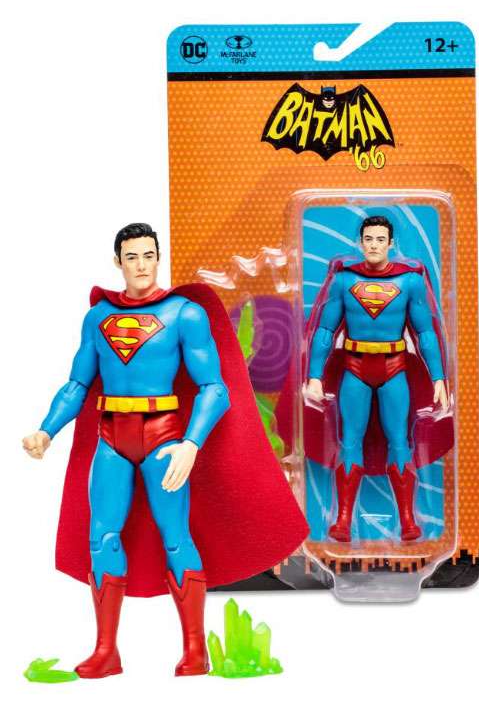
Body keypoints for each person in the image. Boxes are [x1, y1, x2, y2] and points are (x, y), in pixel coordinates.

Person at [23, 223, 308, 678]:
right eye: (132, 257)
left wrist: (191, 444)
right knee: (102, 537)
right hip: (112, 437)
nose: (141, 265)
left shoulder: (183, 314)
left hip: (163, 436)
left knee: (176, 536)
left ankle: (195, 649)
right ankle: (106, 650)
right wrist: (46, 430)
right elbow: (77, 383)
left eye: (148, 255)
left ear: (158, 257)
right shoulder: (98, 318)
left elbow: (214, 388)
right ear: (118, 262)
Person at [306, 215, 449, 543]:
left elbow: (426, 332)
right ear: (360, 242)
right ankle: (343, 520)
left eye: (380, 239)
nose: (373, 245)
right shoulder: (343, 280)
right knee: (350, 440)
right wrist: (314, 375)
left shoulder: (410, 281)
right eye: (368, 239)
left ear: (390, 243)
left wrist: (439, 377)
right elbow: (325, 330)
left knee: (399, 440)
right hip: (354, 367)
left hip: (394, 367)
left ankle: (408, 521)